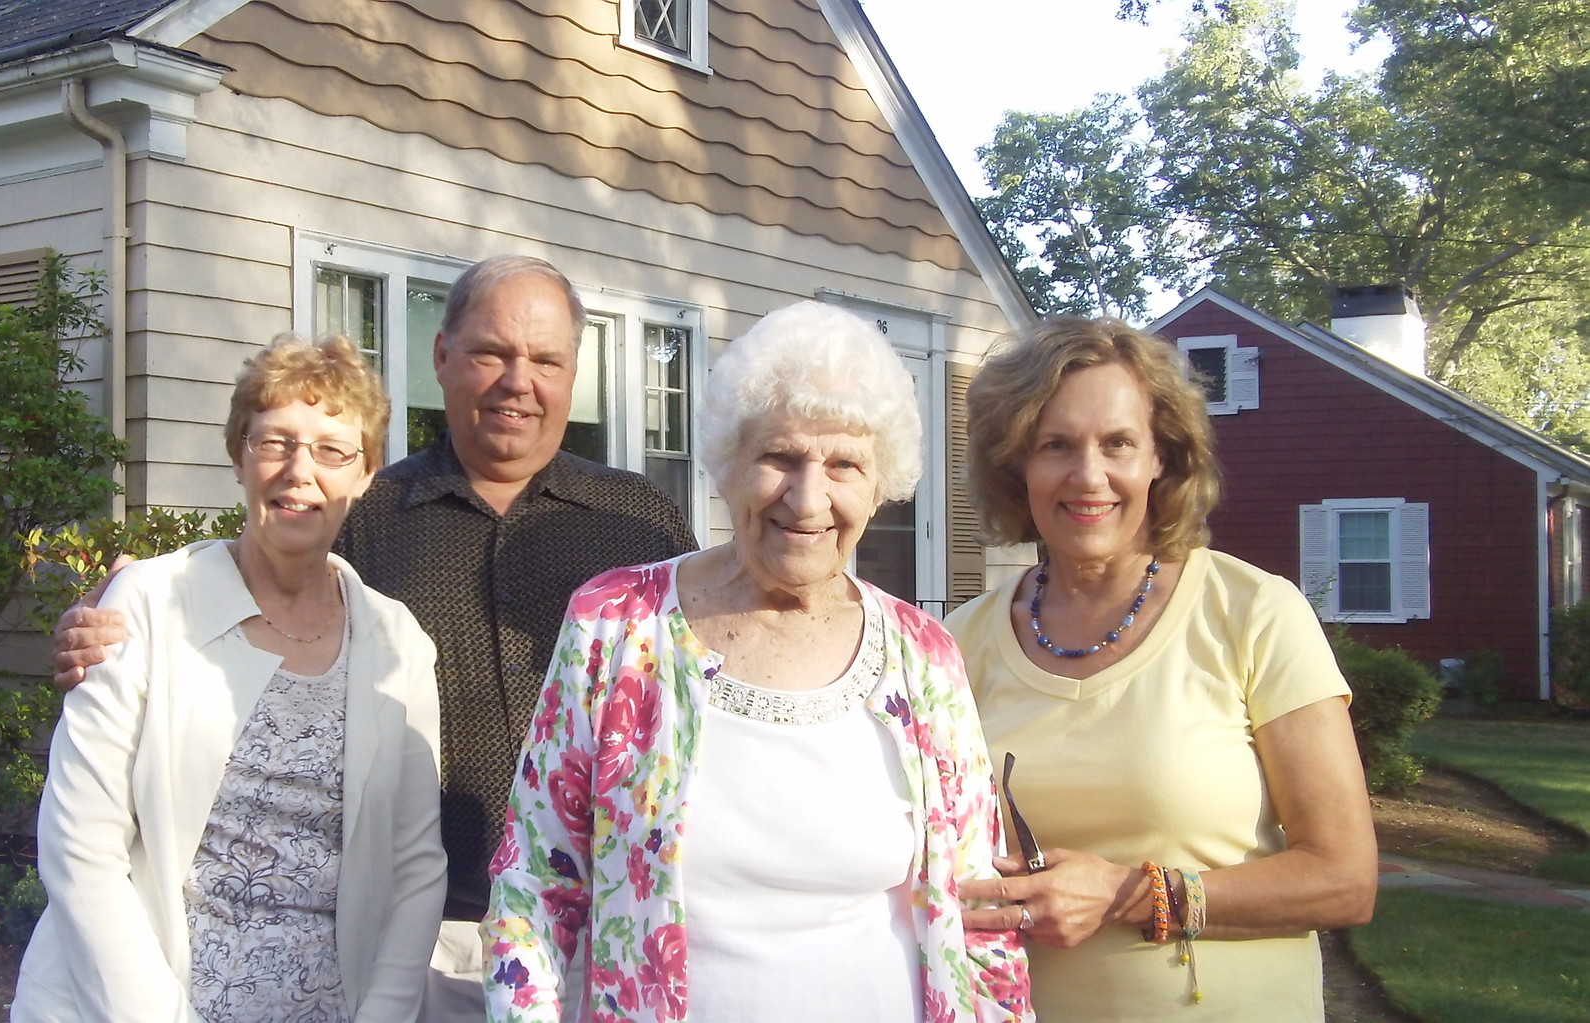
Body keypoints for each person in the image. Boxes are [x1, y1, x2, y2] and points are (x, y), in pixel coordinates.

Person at [50, 256, 694, 1020]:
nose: (518, 380)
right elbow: (248, 593)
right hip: (419, 940)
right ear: (443, 356)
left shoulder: (642, 524)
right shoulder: (364, 509)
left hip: (600, 934)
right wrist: (108, 623)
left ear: (573, 372)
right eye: (491, 352)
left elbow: (705, 684)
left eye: (546, 359)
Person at [484, 301, 1032, 1023]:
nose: (808, 499)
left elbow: (981, 913)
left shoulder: (922, 656)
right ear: (728, 463)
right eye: (780, 456)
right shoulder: (616, 624)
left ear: (880, 482)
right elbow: (533, 885)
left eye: (844, 464)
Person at [948, 317, 1377, 1022]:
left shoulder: (1254, 613)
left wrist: (1130, 894)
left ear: (1161, 458)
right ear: (1014, 464)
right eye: (1055, 445)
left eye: (1118, 443)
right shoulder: (957, 644)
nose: (1089, 476)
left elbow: (1344, 879)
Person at [13, 335, 445, 1021]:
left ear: (366, 473)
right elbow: (79, 847)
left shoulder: (397, 641)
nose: (299, 471)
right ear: (239, 454)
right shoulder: (148, 603)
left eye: (332, 450)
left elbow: (417, 867)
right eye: (275, 442)